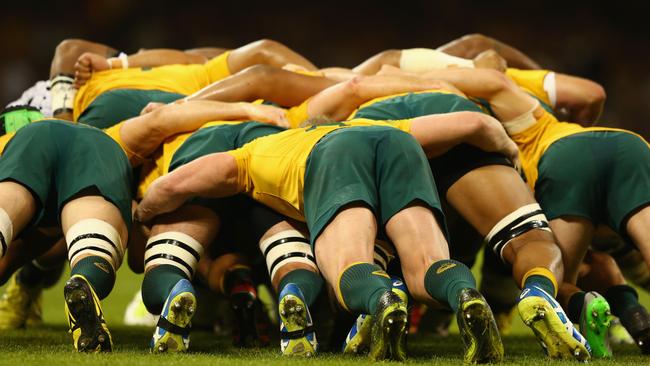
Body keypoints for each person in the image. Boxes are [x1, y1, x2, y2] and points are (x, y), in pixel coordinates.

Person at [417, 65, 650, 355]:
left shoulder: (463, 121)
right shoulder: (521, 98)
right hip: (625, 143)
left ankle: (589, 306)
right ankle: (636, 319)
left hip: (563, 159)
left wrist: (407, 76)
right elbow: (591, 94)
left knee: (555, 278)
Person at [0, 118, 133, 352]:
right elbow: (155, 123)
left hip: (30, 139)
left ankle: (26, 284)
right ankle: (86, 279)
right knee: (93, 246)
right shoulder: (112, 113)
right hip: (100, 145)